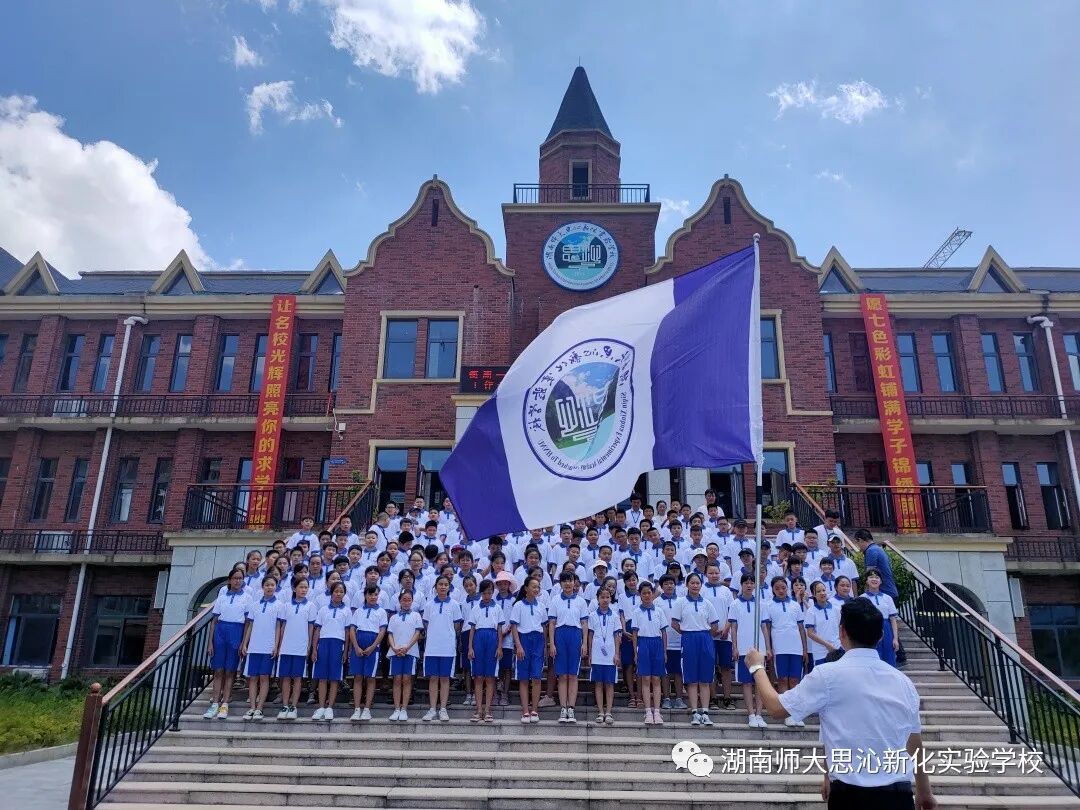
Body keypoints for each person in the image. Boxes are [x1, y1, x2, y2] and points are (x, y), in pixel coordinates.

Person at [745, 598, 936, 810]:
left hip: (850, 797)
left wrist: (757, 667)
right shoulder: (903, 682)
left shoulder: (827, 675)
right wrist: (924, 789)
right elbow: (914, 740)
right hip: (898, 797)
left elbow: (776, 708)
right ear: (881, 635)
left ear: (842, 632)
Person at [670, 572, 721, 727]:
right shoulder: (680, 602)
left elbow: (714, 625)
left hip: (705, 638)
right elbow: (674, 624)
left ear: (701, 585)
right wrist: (687, 633)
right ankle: (694, 712)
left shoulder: (707, 603)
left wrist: (704, 635)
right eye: (692, 583)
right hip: (688, 639)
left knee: (705, 679)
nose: (695, 585)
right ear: (687, 585)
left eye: (697, 583)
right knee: (691, 679)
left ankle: (705, 713)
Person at [206, 568, 248, 719]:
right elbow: (214, 621)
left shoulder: (247, 597)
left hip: (237, 631)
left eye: (240, 578)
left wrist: (243, 642)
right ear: (230, 580)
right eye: (235, 578)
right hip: (220, 631)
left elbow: (248, 623)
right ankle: (215, 703)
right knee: (218, 670)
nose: (238, 581)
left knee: (230, 670)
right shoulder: (222, 597)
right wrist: (210, 642)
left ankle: (225, 703)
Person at [547, 571, 589, 723]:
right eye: (564, 581)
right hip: (560, 635)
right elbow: (552, 623)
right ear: (560, 583)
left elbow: (584, 623)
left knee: (573, 675)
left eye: (570, 580)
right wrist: (552, 643)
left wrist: (584, 643)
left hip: (575, 635)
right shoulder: (555, 600)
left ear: (574, 583)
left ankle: (571, 708)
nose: (567, 583)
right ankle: (563, 707)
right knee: (562, 675)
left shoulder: (581, 601)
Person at [239, 575, 282, 721]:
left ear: (276, 587)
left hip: (268, 647)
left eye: (272, 585)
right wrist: (245, 643)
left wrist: (276, 645)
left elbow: (278, 627)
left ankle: (260, 708)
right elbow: (250, 626)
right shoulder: (255, 605)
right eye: (267, 585)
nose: (269, 587)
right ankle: (252, 707)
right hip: (254, 646)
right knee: (253, 678)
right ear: (263, 587)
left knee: (264, 677)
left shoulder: (279, 605)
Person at [421, 575, 463, 722]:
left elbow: (457, 625)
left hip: (448, 647)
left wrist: (448, 636)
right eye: (440, 584)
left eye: (446, 584)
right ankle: (432, 709)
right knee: (433, 678)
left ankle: (443, 709)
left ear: (449, 587)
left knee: (445, 678)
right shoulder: (429, 605)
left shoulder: (455, 605)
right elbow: (426, 624)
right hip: (432, 647)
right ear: (436, 586)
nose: (443, 587)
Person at [728, 573, 766, 728]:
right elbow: (733, 627)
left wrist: (768, 647)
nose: (749, 585)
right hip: (743, 649)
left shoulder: (760, 603)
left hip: (759, 649)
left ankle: (759, 714)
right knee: (747, 683)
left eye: (752, 583)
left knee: (760, 683)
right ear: (741, 585)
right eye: (746, 583)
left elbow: (764, 626)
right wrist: (735, 647)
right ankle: (751, 714)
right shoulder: (735, 604)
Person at [276, 576, 314, 720]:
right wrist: (279, 645)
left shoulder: (310, 606)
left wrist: (309, 645)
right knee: (285, 677)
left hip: (301, 647)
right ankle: (285, 705)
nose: (304, 590)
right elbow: (282, 626)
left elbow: (311, 627)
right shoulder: (286, 606)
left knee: (298, 677)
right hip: (286, 647)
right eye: (301, 587)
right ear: (294, 588)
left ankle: (293, 706)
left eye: (306, 587)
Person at [348, 585, 387, 721]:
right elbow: (352, 629)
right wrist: (356, 646)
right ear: (365, 595)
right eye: (370, 594)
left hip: (373, 646)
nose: (373, 597)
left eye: (375, 594)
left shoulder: (381, 612)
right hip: (358, 645)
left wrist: (373, 646)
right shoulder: (358, 611)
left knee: (370, 678)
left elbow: (382, 631)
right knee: (358, 677)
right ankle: (357, 708)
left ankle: (367, 709)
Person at [631, 581, 668, 725]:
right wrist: (635, 652)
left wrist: (664, 651)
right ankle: (648, 711)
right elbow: (635, 634)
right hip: (643, 644)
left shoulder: (659, 611)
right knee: (646, 679)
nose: (647, 595)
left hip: (657, 643)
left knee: (656, 679)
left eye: (649, 593)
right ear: (640, 595)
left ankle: (657, 712)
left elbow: (664, 632)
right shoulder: (636, 612)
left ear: (653, 594)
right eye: (644, 593)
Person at [510, 577, 547, 723]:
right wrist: (518, 645)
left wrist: (544, 646)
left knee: (536, 677)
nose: (536, 589)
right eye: (533, 586)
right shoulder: (518, 605)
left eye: (538, 587)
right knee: (524, 678)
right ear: (526, 588)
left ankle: (534, 710)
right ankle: (525, 710)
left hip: (538, 641)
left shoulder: (541, 606)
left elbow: (544, 627)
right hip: (523, 640)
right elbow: (514, 627)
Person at [310, 581, 349, 721]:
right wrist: (314, 649)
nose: (338, 594)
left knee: (334, 678)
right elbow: (317, 630)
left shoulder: (346, 611)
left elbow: (347, 632)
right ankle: (321, 706)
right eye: (336, 591)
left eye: (341, 591)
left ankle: (329, 707)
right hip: (323, 643)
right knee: (322, 677)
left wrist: (346, 651)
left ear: (344, 594)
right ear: (331, 593)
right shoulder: (323, 610)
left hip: (338, 644)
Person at [585, 586, 621, 725]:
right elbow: (590, 635)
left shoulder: (615, 616)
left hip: (610, 653)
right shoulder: (592, 616)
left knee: (610, 683)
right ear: (597, 599)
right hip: (597, 653)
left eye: (607, 597)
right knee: (598, 683)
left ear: (610, 598)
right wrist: (590, 653)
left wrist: (617, 653)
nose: (605, 600)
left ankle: (609, 712)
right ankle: (600, 711)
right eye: (602, 597)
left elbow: (617, 636)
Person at [468, 579, 503, 723]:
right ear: (481, 593)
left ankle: (488, 710)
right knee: (478, 676)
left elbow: (499, 629)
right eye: (484, 593)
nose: (487, 595)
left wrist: (499, 646)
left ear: (493, 592)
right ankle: (478, 710)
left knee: (490, 677)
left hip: (492, 639)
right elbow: (472, 629)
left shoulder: (497, 608)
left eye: (490, 592)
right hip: (479, 639)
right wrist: (470, 647)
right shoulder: (476, 608)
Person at [387, 590, 424, 721]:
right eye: (404, 599)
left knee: (407, 679)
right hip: (396, 652)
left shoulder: (416, 615)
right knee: (397, 679)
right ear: (400, 601)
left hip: (410, 651)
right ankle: (397, 708)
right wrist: (394, 648)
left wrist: (407, 647)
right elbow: (390, 634)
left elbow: (417, 633)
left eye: (409, 600)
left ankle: (404, 709)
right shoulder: (393, 617)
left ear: (412, 601)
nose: (406, 602)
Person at [861, 568, 901, 667]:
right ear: (866, 581)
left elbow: (893, 620)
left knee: (889, 658)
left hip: (886, 629)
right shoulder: (862, 598)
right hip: (870, 629)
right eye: (871, 577)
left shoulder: (887, 598)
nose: (874, 579)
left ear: (881, 581)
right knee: (873, 659)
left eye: (877, 577)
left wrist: (895, 639)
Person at [805, 580, 841, 666]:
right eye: (818, 591)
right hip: (820, 652)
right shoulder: (811, 611)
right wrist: (827, 645)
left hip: (836, 649)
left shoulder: (836, 609)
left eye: (824, 590)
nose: (822, 593)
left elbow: (839, 627)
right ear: (813, 594)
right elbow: (810, 633)